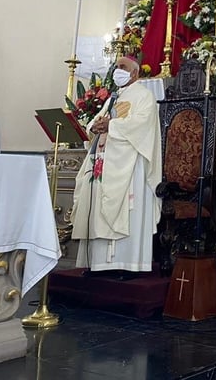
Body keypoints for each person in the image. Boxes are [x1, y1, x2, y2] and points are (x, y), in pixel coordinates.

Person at [71, 56, 161, 273]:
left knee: (125, 209)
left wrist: (112, 125)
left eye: (123, 67)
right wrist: (96, 126)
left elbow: (142, 125)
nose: (117, 70)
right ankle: (98, 263)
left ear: (135, 73)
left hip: (129, 165)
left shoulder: (144, 96)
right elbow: (96, 121)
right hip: (105, 159)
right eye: (117, 67)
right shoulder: (113, 97)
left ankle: (125, 264)